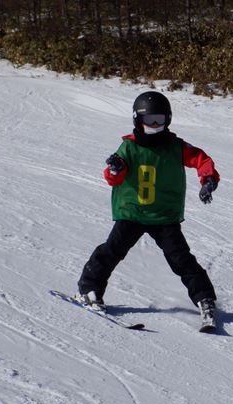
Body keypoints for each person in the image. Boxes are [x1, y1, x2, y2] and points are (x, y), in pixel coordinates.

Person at [76, 91, 219, 325]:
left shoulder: (176, 147)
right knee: (111, 251)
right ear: (137, 120)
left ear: (168, 120)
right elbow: (114, 177)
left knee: (181, 259)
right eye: (149, 120)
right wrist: (114, 169)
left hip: (164, 215)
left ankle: (205, 299)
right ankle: (89, 289)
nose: (154, 125)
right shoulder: (128, 148)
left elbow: (201, 159)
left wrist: (208, 179)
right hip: (132, 213)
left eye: (159, 120)